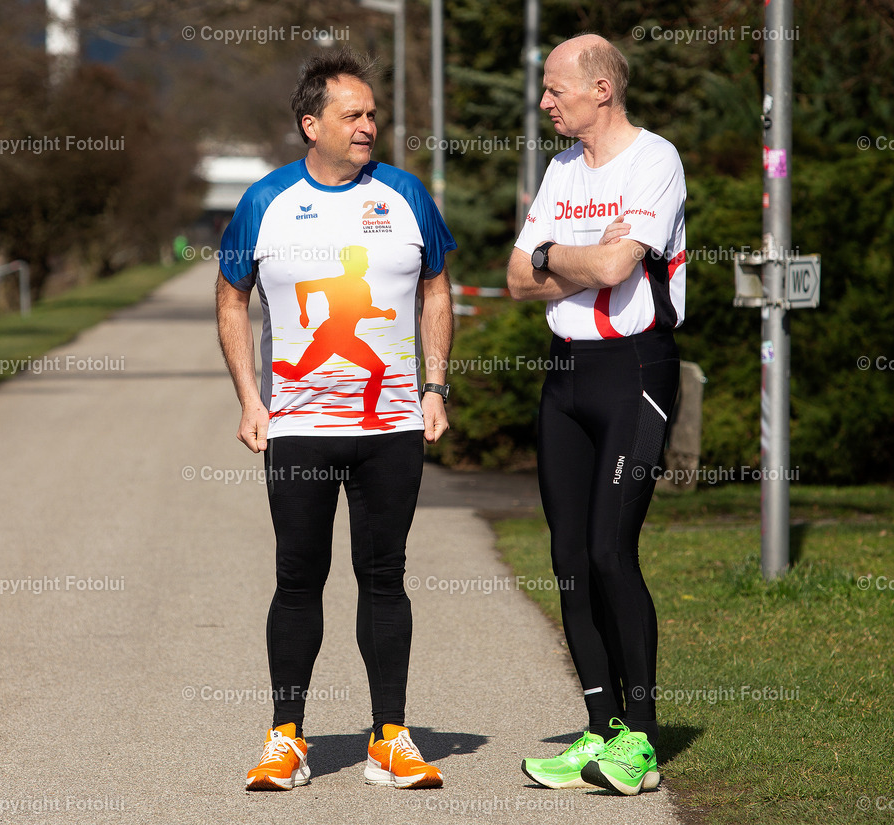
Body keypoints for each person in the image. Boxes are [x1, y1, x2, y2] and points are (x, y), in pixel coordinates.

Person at [215, 48, 455, 792]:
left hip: (389, 429)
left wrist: (436, 386)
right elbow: (231, 299)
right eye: (352, 115)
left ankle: (391, 736)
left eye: (373, 113)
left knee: (385, 577)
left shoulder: (407, 194)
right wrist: (250, 400)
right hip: (298, 427)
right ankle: (287, 737)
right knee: (299, 578)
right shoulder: (265, 201)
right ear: (309, 123)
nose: (368, 126)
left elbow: (436, 292)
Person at [507, 33, 686, 795]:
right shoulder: (559, 168)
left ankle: (640, 742)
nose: (545, 102)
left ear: (600, 90)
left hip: (634, 371)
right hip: (566, 377)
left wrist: (556, 254)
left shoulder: (655, 160)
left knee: (612, 550)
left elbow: (619, 267)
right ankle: (601, 727)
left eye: (555, 89)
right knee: (569, 561)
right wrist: (557, 258)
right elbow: (518, 277)